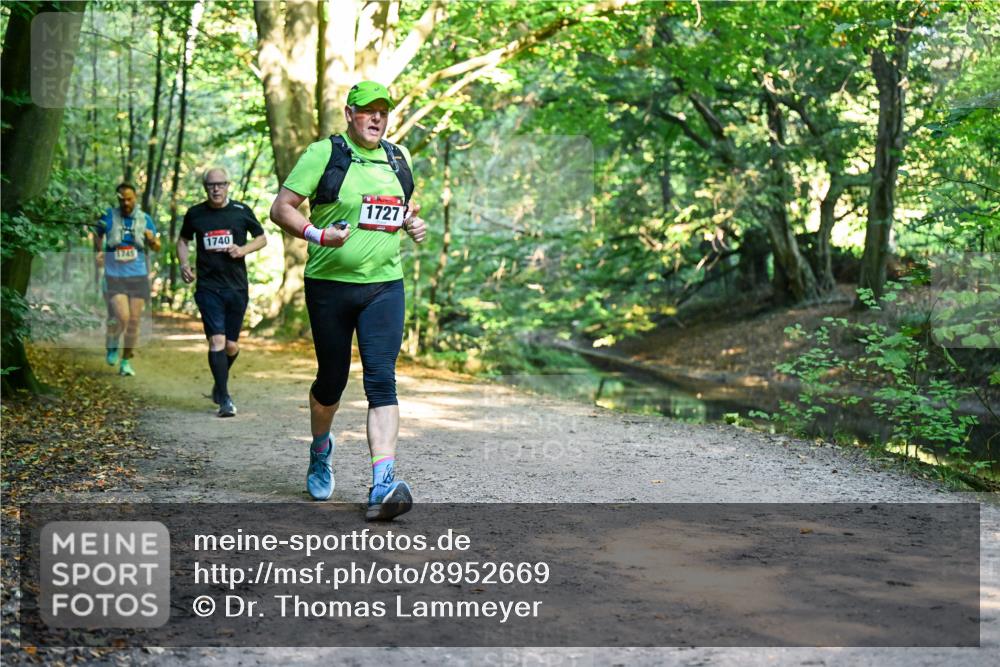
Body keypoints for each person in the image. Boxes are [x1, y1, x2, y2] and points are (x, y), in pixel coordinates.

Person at [269, 81, 426, 520]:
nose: (377, 118)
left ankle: (382, 484)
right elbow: (281, 208)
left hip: (384, 286)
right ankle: (321, 450)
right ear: (350, 113)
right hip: (330, 285)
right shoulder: (324, 154)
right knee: (331, 383)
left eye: (383, 111)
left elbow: (402, 210)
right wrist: (318, 235)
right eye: (367, 111)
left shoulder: (399, 157)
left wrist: (414, 224)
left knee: (381, 379)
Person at [177, 168, 267, 418]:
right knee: (216, 340)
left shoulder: (240, 211)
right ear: (205, 187)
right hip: (208, 287)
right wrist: (184, 264)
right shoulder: (195, 214)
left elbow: (261, 238)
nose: (216, 189)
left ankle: (219, 381)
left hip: (236, 286)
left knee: (231, 345)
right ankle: (225, 399)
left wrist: (243, 249)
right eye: (211, 185)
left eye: (221, 184)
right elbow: (183, 241)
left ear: (228, 185)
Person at [94, 183, 160, 376]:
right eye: (122, 199)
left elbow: (157, 247)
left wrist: (152, 240)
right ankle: (112, 343)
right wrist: (98, 251)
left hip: (138, 276)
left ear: (135, 198)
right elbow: (97, 233)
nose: (125, 203)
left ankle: (125, 362)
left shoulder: (145, 219)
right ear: (118, 199)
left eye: (129, 199)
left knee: (134, 321)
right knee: (122, 317)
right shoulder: (108, 216)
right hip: (115, 276)